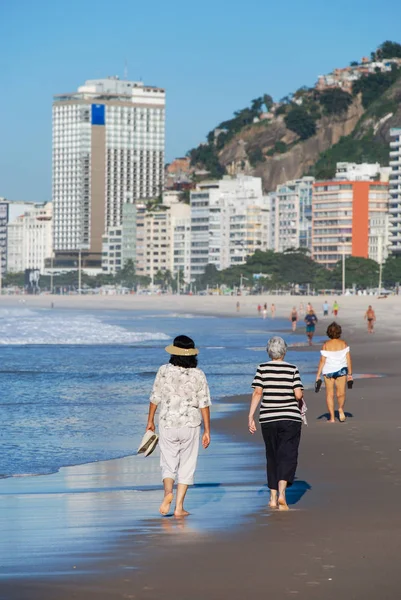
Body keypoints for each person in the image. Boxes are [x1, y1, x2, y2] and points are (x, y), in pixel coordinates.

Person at [145, 335, 211, 517]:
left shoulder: (163, 371)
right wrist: (207, 430)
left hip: (167, 422)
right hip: (190, 424)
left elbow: (154, 397)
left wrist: (150, 421)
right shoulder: (198, 374)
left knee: (168, 462)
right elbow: (204, 403)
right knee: (187, 464)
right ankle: (179, 508)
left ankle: (168, 493)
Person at [249, 337, 304, 510]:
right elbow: (298, 395)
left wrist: (250, 416)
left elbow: (258, 392)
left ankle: (272, 498)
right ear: (284, 351)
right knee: (287, 454)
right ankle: (282, 494)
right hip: (290, 418)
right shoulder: (292, 369)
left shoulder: (262, 368)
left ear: (269, 351)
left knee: (272, 455)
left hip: (268, 418)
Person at [315, 322, 353, 423]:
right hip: (341, 371)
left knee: (329, 394)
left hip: (328, 371)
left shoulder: (326, 345)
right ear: (339, 332)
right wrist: (350, 373)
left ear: (328, 333)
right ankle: (340, 408)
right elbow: (348, 359)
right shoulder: (343, 344)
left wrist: (318, 375)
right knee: (341, 393)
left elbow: (322, 361)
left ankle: (332, 418)